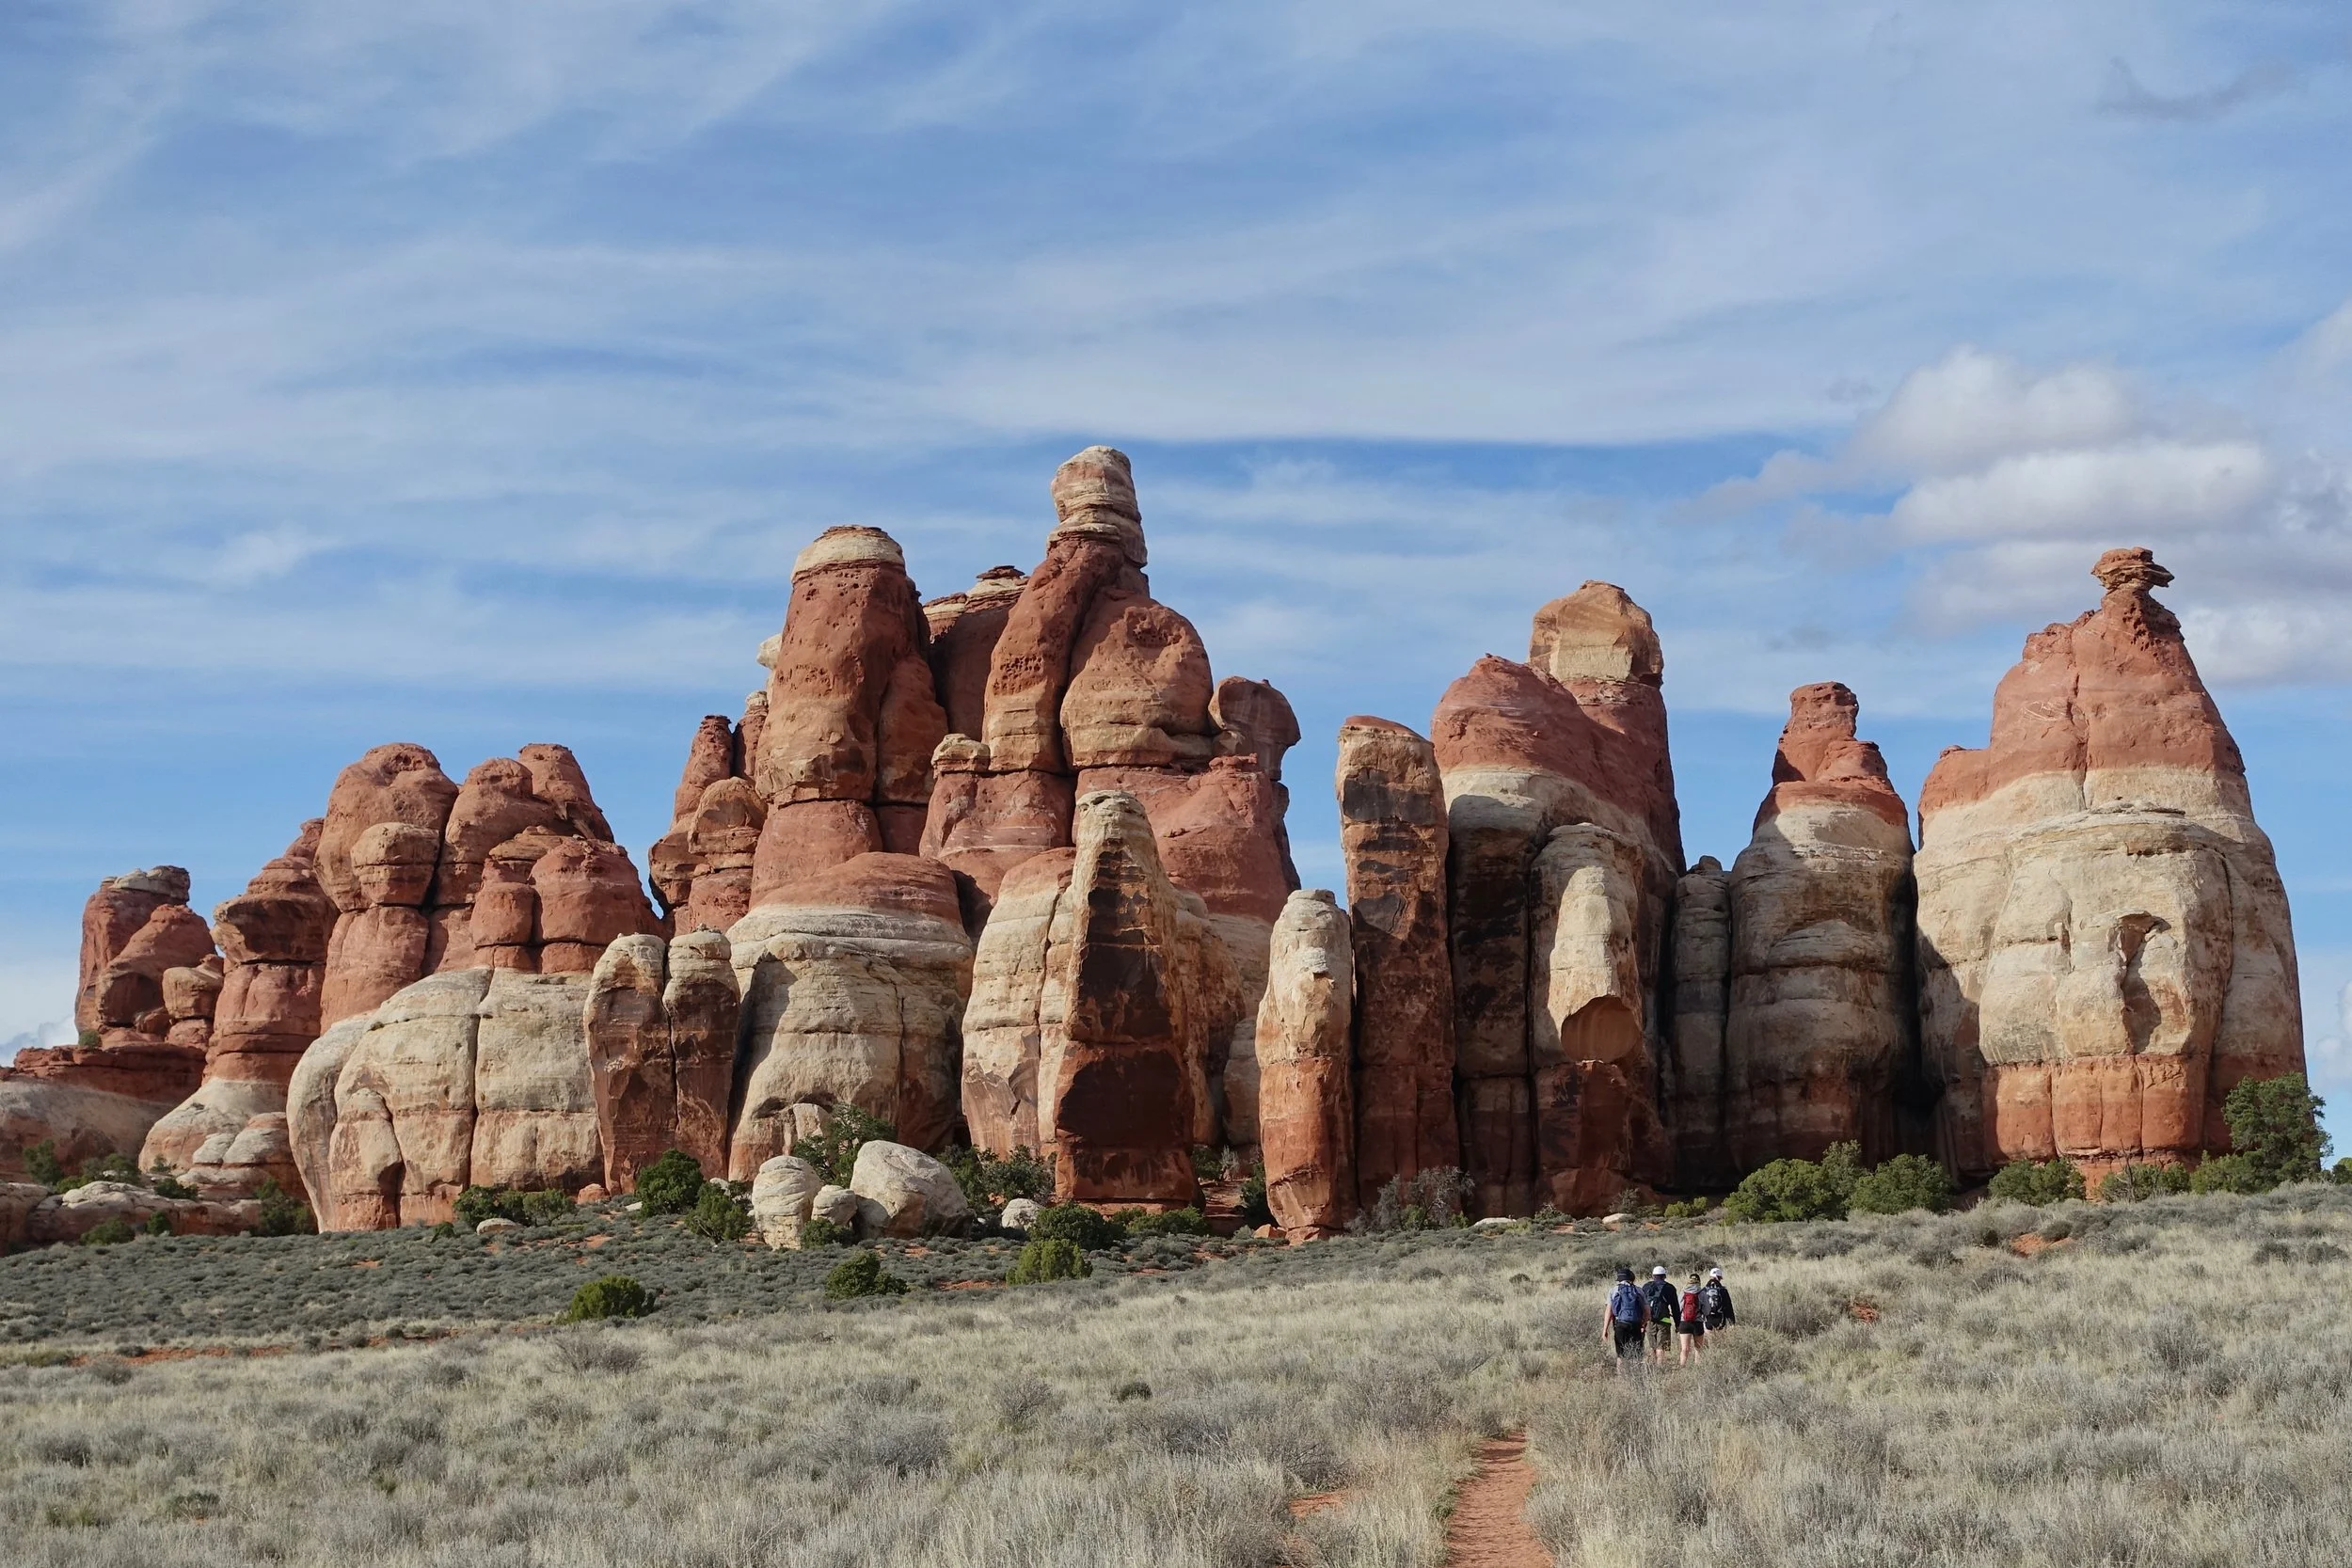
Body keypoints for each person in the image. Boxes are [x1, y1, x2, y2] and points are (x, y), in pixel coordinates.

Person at [1601, 1265, 1648, 1370]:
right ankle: (1637, 1375)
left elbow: (1609, 1311)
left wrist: (1605, 1329)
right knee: (1637, 1353)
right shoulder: (1638, 1290)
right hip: (1636, 1324)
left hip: (1620, 1324)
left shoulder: (1614, 1290)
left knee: (1621, 1354)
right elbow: (1647, 1311)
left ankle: (1621, 1378)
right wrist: (1643, 1324)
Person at [1640, 1264, 1677, 1365]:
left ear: (1653, 1276)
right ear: (1664, 1276)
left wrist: (1641, 1323)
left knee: (1653, 1347)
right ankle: (1660, 1369)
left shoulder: (1646, 1287)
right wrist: (1678, 1324)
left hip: (1649, 1320)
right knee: (1661, 1347)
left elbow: (1641, 1305)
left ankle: (1653, 1368)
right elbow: (1675, 1307)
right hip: (1664, 1321)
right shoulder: (1669, 1288)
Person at [1676, 1270, 1708, 1366]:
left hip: (1684, 1323)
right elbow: (1707, 1310)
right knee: (1698, 1348)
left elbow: (1679, 1307)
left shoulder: (1683, 1292)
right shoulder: (1702, 1293)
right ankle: (1698, 1368)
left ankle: (1682, 1366)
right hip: (1697, 1323)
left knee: (1685, 1349)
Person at [1698, 1266, 1736, 1335]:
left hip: (1707, 1320)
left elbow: (1699, 1307)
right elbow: (1728, 1307)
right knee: (1721, 1343)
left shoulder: (1704, 1290)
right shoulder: (1723, 1290)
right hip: (1720, 1320)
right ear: (1719, 1277)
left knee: (1709, 1343)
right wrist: (1732, 1322)